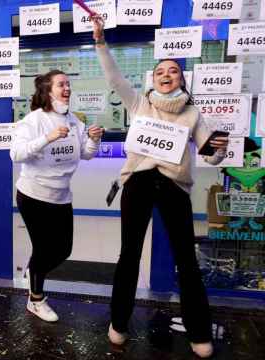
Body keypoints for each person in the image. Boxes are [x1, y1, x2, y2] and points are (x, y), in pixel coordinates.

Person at [92, 16, 229, 358]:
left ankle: (199, 332)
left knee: (186, 260)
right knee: (129, 256)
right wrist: (99, 41)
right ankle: (119, 323)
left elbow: (211, 158)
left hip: (174, 187)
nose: (167, 75)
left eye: (173, 71)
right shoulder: (140, 103)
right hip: (138, 182)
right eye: (160, 72)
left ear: (182, 78)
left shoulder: (194, 114)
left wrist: (220, 150)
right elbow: (113, 76)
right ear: (152, 79)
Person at [10, 70, 104, 322]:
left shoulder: (75, 120)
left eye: (69, 84)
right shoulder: (34, 120)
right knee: (42, 249)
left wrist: (95, 140)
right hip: (33, 195)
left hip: (61, 196)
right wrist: (46, 138)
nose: (67, 88)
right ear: (48, 90)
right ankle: (36, 300)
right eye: (61, 84)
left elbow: (86, 153)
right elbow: (16, 153)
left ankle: (33, 273)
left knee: (63, 249)